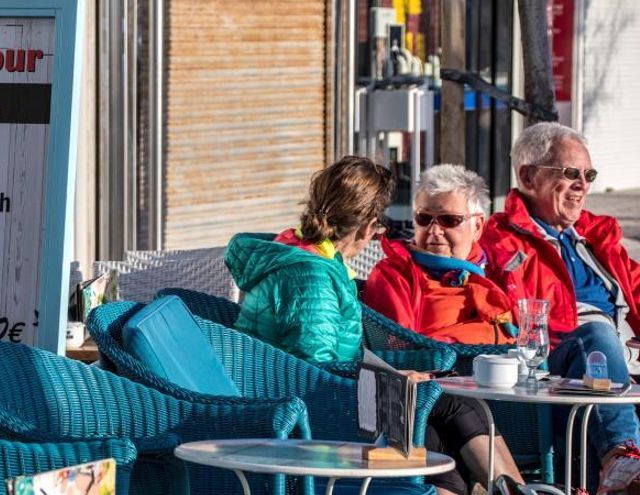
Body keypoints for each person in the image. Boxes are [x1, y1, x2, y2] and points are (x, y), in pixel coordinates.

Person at [225, 156, 523, 495]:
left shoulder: (309, 256)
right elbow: (313, 368)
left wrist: (392, 376)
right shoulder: (311, 277)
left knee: (441, 416)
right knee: (449, 406)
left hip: (323, 393)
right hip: (309, 411)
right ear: (367, 226)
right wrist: (389, 380)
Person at [480, 122, 640, 493]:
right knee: (596, 334)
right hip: (558, 364)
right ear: (528, 176)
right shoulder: (499, 239)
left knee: (603, 337)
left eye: (588, 174)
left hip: (624, 358)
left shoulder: (595, 236)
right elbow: (496, 308)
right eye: (570, 174)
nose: (583, 185)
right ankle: (621, 456)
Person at [362, 165, 525, 494]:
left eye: (448, 221)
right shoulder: (397, 272)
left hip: (506, 402)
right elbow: (397, 348)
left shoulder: (498, 271)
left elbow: (530, 332)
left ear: (478, 225)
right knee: (446, 413)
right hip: (426, 399)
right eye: (424, 219)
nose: (434, 232)